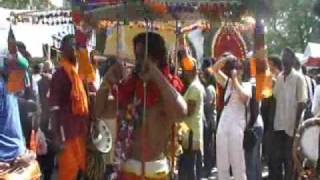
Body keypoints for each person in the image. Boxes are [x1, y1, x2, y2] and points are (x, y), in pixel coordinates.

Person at [96, 32, 187, 179]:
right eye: (137, 57)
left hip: (156, 173)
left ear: (157, 59)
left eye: (142, 57)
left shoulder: (168, 90)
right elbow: (100, 111)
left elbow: (181, 113)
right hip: (127, 171)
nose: (138, 63)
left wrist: (155, 74)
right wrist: (106, 82)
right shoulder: (129, 90)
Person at [49, 34, 89, 180]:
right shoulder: (59, 75)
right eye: (71, 46)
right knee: (67, 173)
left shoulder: (79, 73)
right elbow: (53, 107)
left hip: (80, 130)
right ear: (62, 50)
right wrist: (56, 136)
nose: (74, 49)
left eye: (76, 46)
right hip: (66, 132)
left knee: (82, 171)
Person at [210, 53, 251, 180]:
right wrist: (227, 59)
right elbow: (214, 70)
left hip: (237, 125)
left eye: (239, 69)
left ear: (242, 71)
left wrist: (235, 79)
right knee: (222, 161)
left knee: (237, 160)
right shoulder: (227, 83)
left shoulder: (247, 85)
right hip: (224, 124)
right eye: (235, 69)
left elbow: (244, 98)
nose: (236, 71)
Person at [270, 47, 307, 180]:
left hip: (291, 128)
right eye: (282, 56)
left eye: (286, 56)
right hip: (278, 126)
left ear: (292, 60)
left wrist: (297, 128)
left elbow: (302, 103)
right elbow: (274, 97)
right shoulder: (279, 77)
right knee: (278, 159)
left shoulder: (298, 78)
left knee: (290, 160)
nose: (284, 58)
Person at [178, 55, 205, 180]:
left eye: (187, 70)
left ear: (193, 71)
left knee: (189, 168)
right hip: (189, 131)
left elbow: (189, 111)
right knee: (188, 167)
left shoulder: (194, 88)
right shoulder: (193, 86)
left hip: (191, 132)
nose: (184, 72)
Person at [261, 55, 282, 173]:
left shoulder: (273, 80)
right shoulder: (279, 78)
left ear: (273, 65)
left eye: (268, 64)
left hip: (272, 121)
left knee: (273, 155)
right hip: (273, 121)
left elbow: (264, 101)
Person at [37, 60, 55, 180]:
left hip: (42, 116)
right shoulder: (53, 81)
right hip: (52, 117)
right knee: (50, 146)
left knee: (42, 144)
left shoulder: (39, 82)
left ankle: (41, 169)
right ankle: (47, 173)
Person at [200, 58, 216, 176]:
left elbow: (207, 105)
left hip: (210, 120)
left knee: (208, 144)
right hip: (208, 119)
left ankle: (208, 167)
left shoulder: (209, 89)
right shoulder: (207, 88)